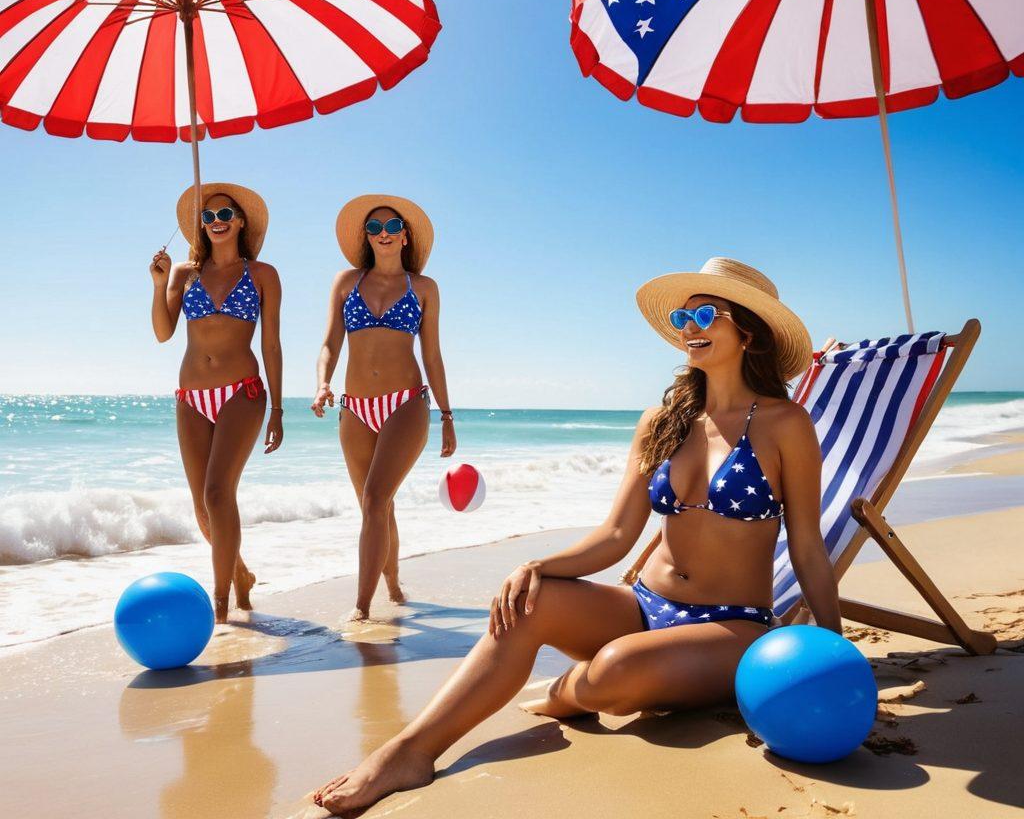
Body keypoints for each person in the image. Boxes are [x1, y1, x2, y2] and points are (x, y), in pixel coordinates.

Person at [312, 257, 839, 814]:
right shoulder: (662, 422)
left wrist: (834, 645)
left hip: (730, 626)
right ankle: (410, 750)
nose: (689, 326)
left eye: (706, 313)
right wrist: (537, 568)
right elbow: (615, 536)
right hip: (644, 605)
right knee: (528, 602)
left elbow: (806, 544)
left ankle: (567, 694)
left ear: (748, 331)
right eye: (684, 315)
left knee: (614, 667)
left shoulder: (785, 424)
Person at [312, 194, 455, 621]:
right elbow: (329, 343)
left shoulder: (424, 288)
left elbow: (432, 356)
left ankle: (361, 607)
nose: (384, 233)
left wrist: (447, 416)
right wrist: (323, 384)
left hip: (406, 403)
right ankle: (393, 585)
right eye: (374, 228)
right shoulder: (346, 282)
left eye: (392, 226)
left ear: (406, 236)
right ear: (366, 238)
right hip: (355, 408)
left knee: (376, 500)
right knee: (376, 505)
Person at [150, 183, 283, 623]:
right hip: (191, 396)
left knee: (217, 493)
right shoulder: (186, 273)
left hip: (242, 392)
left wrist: (278, 408)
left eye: (224, 213)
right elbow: (163, 332)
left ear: (241, 221)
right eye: (207, 216)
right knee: (202, 508)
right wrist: (158, 284)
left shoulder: (262, 274)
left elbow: (272, 345)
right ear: (201, 227)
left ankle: (222, 606)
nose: (216, 221)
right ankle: (241, 574)